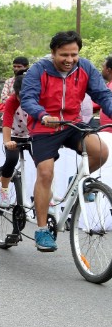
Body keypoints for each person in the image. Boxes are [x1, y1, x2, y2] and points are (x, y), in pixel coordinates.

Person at [19, 30, 112, 251]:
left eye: (74, 55)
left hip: (72, 123)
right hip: (44, 126)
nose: (69, 60)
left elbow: (102, 95)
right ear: (53, 52)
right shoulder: (38, 70)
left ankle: (78, 180)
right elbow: (28, 98)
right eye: (64, 55)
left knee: (100, 151)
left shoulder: (86, 68)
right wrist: (42, 115)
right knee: (45, 173)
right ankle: (42, 230)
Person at [0, 75, 30, 207]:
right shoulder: (12, 101)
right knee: (12, 159)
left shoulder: (39, 99)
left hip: (32, 134)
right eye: (21, 96)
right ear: (16, 93)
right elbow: (7, 121)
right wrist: (7, 141)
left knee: (44, 162)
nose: (24, 100)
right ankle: (4, 190)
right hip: (14, 134)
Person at [100, 56, 112, 127]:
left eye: (103, 67)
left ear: (108, 70)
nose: (102, 70)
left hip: (108, 133)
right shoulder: (107, 85)